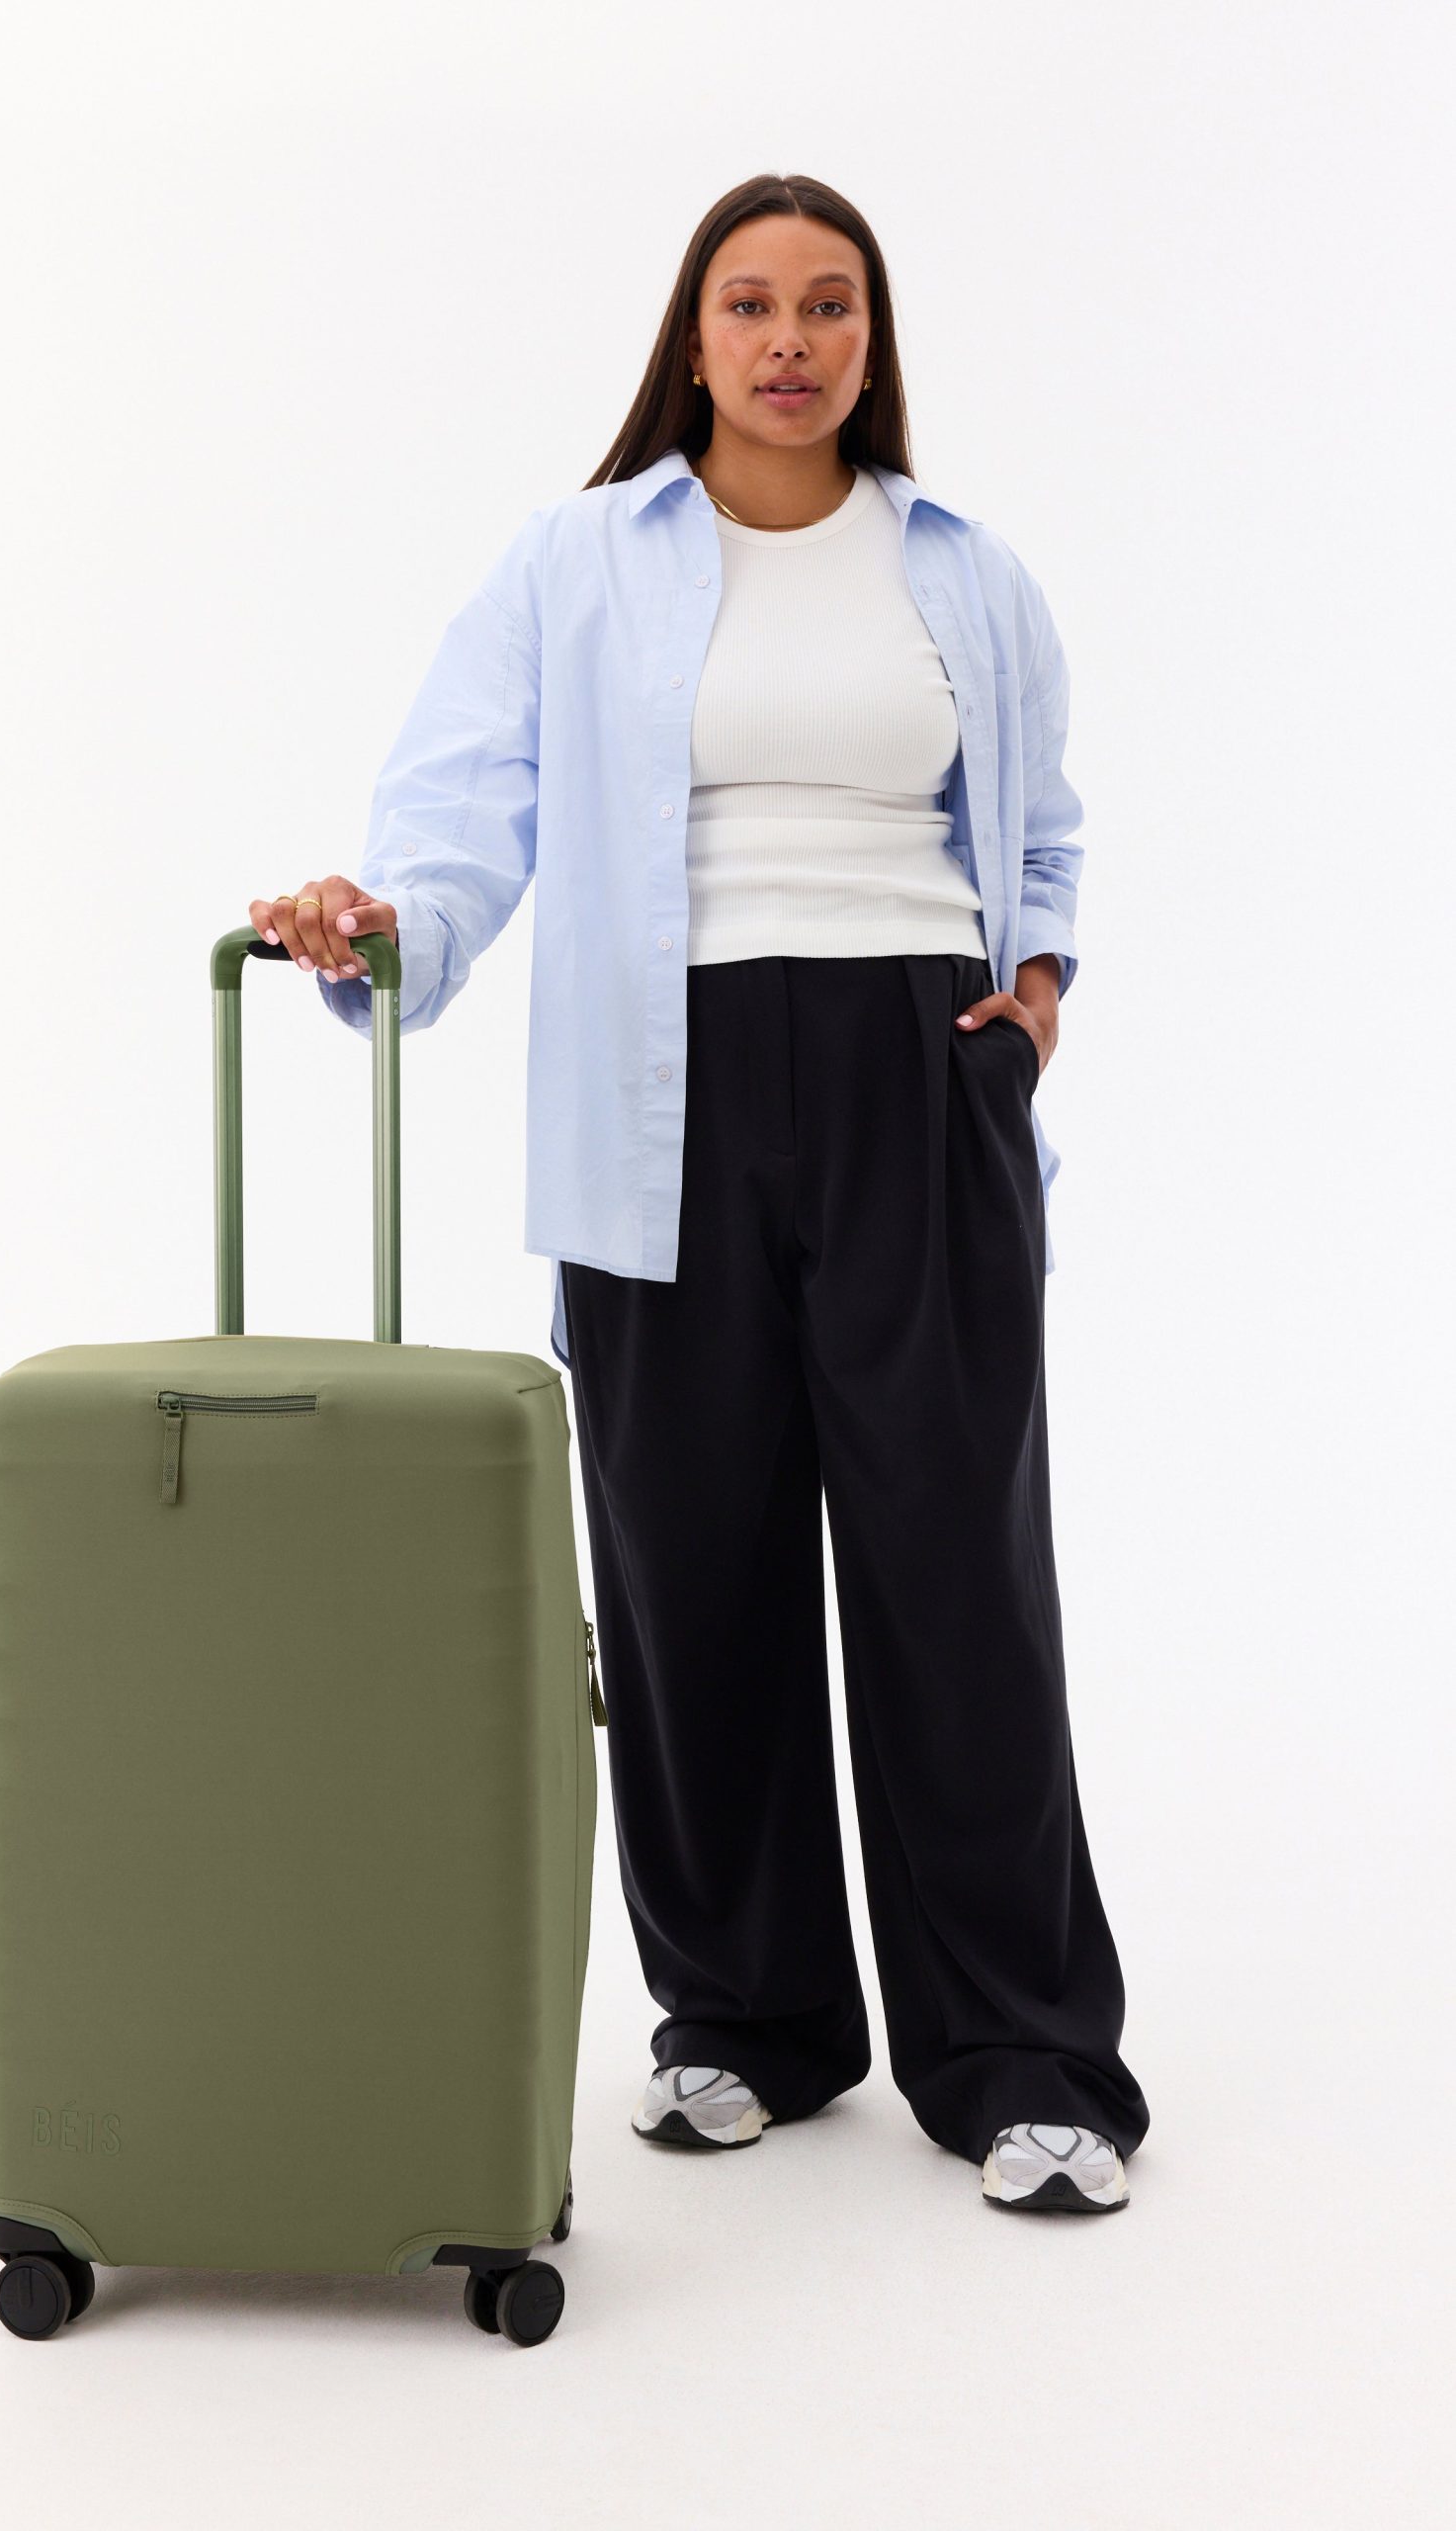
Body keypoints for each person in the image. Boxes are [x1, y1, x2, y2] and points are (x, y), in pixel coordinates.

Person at [249, 170, 1150, 2217]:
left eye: (828, 304)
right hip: (655, 1091)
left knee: (956, 1573)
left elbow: (1042, 827)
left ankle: (1022, 2052)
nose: (788, 340)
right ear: (692, 334)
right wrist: (381, 929)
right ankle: (746, 2018)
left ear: (869, 339)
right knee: (687, 1567)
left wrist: (1027, 1007)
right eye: (749, 303)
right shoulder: (578, 560)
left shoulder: (962, 568)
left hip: (917, 1073)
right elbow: (464, 806)